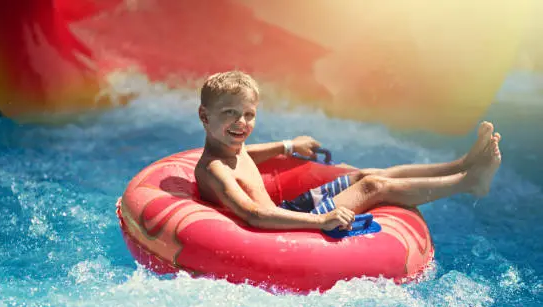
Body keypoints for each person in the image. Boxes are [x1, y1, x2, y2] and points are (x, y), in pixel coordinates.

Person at [194, 70, 502, 232]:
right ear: (205, 116)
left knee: (364, 174)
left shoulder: (231, 147)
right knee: (373, 186)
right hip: (282, 225)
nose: (241, 123)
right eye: (230, 113)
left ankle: (462, 163)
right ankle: (468, 182)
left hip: (289, 209)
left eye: (249, 114)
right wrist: (321, 221)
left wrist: (287, 146)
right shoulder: (213, 170)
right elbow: (255, 215)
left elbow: (247, 154)